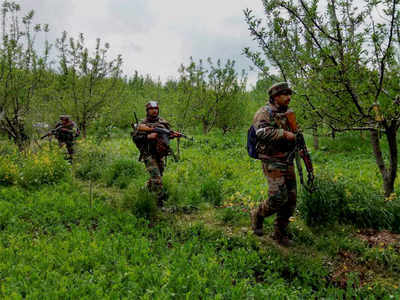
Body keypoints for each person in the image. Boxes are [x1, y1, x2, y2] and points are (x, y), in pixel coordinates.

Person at [250, 82, 298, 246]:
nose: (289, 98)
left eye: (289, 94)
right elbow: (262, 132)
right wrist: (284, 134)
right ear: (275, 97)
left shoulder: (287, 113)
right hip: (272, 160)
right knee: (278, 198)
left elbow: (295, 133)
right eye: (285, 95)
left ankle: (280, 233)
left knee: (291, 199)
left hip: (287, 159)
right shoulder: (264, 113)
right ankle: (258, 214)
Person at [132, 101, 181, 207]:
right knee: (157, 179)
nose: (154, 111)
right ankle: (158, 205)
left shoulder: (163, 123)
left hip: (159, 154)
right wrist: (148, 137)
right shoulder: (143, 124)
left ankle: (144, 192)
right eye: (151, 109)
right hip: (148, 154)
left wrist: (172, 136)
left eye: (156, 109)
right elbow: (135, 137)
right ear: (147, 111)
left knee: (157, 176)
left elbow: (165, 136)